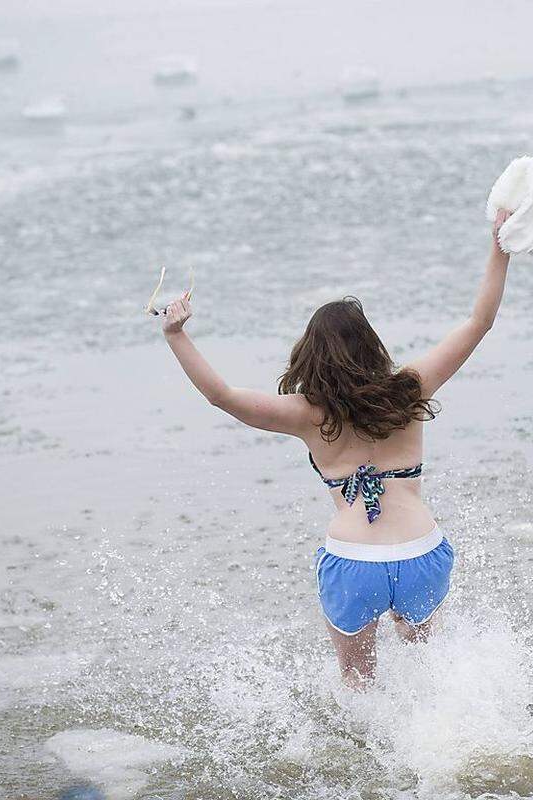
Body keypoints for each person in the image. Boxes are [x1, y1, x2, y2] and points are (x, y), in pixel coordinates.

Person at [159, 209, 513, 688]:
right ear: (372, 345)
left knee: (357, 684)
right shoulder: (410, 389)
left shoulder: (307, 413)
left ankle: (371, 759)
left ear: (311, 353)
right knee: (431, 677)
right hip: (420, 552)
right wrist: (499, 245)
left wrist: (176, 335)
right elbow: (480, 321)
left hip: (354, 561)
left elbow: (221, 396)